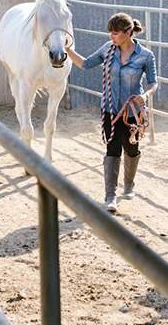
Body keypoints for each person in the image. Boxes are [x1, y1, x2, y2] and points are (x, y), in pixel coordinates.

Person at [66, 13, 158, 213]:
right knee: (112, 149)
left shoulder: (145, 55)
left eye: (115, 33)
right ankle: (110, 196)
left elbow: (153, 82)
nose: (111, 37)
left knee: (131, 149)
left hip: (133, 111)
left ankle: (129, 184)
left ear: (128, 32)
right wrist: (67, 50)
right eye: (110, 33)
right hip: (109, 110)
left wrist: (147, 95)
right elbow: (85, 63)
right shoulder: (108, 50)